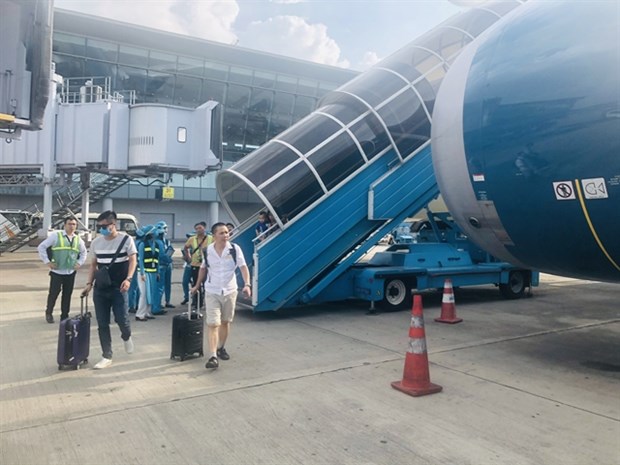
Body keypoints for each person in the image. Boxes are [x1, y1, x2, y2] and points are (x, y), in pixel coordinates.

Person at [191, 222, 251, 370]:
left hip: (230, 291)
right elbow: (203, 269)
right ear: (214, 235)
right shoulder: (207, 251)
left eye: (227, 232)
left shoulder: (235, 249)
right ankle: (213, 356)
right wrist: (197, 285)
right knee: (213, 324)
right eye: (222, 233)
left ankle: (221, 347)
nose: (225, 235)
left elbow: (243, 267)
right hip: (212, 291)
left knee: (225, 322)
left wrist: (247, 284)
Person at [82, 210, 137, 369]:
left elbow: (133, 260)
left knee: (122, 319)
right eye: (99, 226)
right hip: (101, 288)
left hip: (119, 287)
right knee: (102, 323)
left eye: (105, 226)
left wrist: (128, 279)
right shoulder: (96, 243)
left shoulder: (126, 240)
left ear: (114, 225)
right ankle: (107, 355)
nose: (102, 229)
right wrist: (88, 284)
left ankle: (126, 336)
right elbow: (93, 265)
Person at [37, 216, 88, 323]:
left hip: (70, 272)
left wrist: (79, 263)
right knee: (53, 294)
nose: (72, 226)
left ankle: (64, 315)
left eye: (74, 224)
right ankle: (49, 313)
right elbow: (41, 247)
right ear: (64, 225)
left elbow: (84, 253)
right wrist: (47, 262)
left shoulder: (78, 239)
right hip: (57, 271)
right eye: (69, 224)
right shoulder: (56, 236)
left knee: (67, 295)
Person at [183, 221, 211, 310]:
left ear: (204, 228)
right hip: (195, 265)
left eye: (200, 228)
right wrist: (188, 257)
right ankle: (198, 303)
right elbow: (185, 247)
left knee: (207, 285)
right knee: (196, 284)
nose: (198, 230)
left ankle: (208, 303)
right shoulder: (192, 239)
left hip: (207, 265)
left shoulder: (211, 238)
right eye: (197, 228)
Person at [135, 225, 160, 321]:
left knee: (151, 293)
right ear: (151, 233)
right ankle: (140, 314)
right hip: (144, 273)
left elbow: (157, 259)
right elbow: (140, 259)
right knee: (144, 293)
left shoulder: (156, 244)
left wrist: (158, 272)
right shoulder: (142, 244)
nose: (156, 233)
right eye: (155, 231)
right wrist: (142, 273)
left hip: (153, 273)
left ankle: (147, 312)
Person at [156, 221, 175, 309]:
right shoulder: (157, 241)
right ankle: (158, 303)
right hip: (161, 265)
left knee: (167, 284)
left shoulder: (167, 241)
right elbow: (161, 255)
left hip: (167, 265)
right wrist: (168, 259)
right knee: (160, 286)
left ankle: (167, 301)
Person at [180, 232, 194, 305]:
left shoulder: (197, 246)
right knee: (185, 282)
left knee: (194, 283)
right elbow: (187, 259)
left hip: (195, 266)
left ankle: (195, 299)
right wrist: (185, 256)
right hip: (188, 266)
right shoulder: (186, 247)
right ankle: (186, 297)